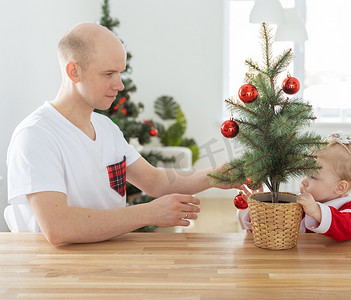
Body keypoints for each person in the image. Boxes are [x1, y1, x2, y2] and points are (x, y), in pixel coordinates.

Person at [5, 22, 239, 245]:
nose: (119, 85)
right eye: (108, 74)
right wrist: (148, 213)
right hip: (53, 275)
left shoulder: (107, 129)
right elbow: (58, 227)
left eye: (120, 73)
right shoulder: (35, 136)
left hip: (107, 265)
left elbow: (154, 181)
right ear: (74, 71)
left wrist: (218, 175)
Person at [238, 131, 351, 241]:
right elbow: (272, 234)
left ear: (340, 187)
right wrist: (257, 209)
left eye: (313, 177)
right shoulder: (299, 206)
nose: (304, 181)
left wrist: (318, 212)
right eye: (305, 173)